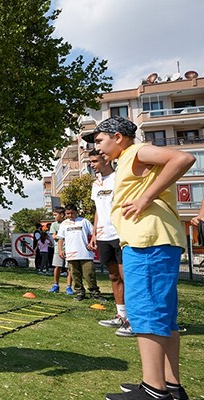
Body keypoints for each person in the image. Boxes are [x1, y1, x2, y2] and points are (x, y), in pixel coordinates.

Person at [86, 116, 192, 400]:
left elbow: (183, 158)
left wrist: (146, 198)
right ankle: (170, 385)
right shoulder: (129, 159)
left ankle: (153, 390)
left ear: (118, 136)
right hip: (155, 239)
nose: (97, 148)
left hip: (148, 240)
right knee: (164, 317)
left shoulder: (136, 151)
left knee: (147, 313)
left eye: (99, 141)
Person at [88, 149, 134, 337]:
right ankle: (121, 315)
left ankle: (135, 318)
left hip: (121, 234)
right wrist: (94, 233)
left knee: (127, 277)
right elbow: (98, 210)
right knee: (114, 277)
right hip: (103, 236)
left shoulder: (119, 178)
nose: (92, 164)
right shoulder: (96, 184)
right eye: (90, 161)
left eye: (95, 161)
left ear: (106, 160)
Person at [57, 203, 104, 302]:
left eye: (72, 213)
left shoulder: (84, 221)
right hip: (71, 254)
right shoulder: (64, 224)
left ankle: (94, 293)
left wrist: (92, 243)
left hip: (85, 254)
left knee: (89, 274)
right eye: (67, 214)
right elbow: (61, 238)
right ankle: (79, 293)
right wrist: (60, 250)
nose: (70, 215)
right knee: (75, 275)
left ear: (76, 212)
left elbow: (93, 234)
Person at [48, 207, 73, 294]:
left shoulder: (69, 223)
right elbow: (54, 236)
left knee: (69, 268)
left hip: (69, 249)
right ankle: (56, 285)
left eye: (55, 215)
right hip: (57, 250)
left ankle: (69, 287)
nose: (54, 217)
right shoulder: (54, 225)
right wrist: (62, 236)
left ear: (62, 215)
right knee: (57, 267)